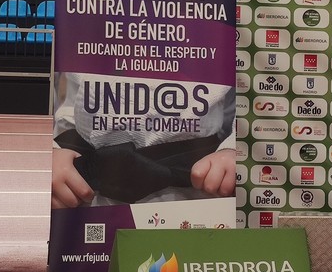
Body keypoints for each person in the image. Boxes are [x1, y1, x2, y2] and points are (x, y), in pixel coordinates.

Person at [50, 71, 236, 208]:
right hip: (86, 192)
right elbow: (70, 99)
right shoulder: (84, 25)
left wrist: (237, 147)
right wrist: (51, 150)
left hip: (200, 192)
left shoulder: (222, 24)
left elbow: (253, 82)